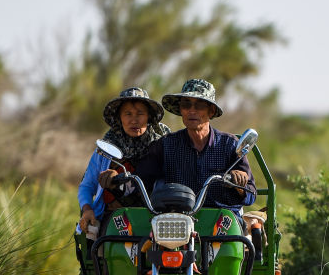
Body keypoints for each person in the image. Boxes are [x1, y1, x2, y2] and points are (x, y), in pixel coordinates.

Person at [131, 78, 256, 214]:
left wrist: (239, 183)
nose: (192, 110)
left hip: (222, 220)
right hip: (178, 220)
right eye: (186, 105)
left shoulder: (230, 145)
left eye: (200, 105)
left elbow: (251, 195)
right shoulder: (166, 145)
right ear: (181, 110)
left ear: (211, 111)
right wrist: (115, 180)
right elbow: (138, 181)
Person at [77, 87, 169, 236]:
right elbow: (87, 186)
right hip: (113, 219)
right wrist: (87, 210)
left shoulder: (162, 147)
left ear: (149, 117)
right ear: (119, 117)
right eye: (128, 114)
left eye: (140, 113)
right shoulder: (105, 149)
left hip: (155, 219)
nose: (134, 120)